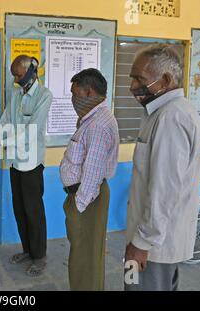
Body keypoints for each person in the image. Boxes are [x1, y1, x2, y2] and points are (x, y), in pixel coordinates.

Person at [124, 44, 200, 291]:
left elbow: (164, 190)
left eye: (139, 79)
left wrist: (140, 244)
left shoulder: (172, 117)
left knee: (136, 286)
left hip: (150, 250)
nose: (132, 87)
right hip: (149, 243)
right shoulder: (160, 112)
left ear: (166, 80)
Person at [0, 55, 52, 276]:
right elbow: (5, 121)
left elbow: (31, 131)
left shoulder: (44, 96)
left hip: (32, 164)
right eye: (14, 75)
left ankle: (40, 256)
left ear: (30, 71)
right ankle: (28, 250)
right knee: (19, 209)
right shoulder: (16, 93)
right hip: (15, 162)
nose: (15, 79)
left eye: (18, 74)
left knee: (34, 211)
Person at [59, 68, 119, 291]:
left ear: (89, 92)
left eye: (75, 93)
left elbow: (93, 173)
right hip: (84, 197)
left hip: (87, 200)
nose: (72, 99)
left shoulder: (98, 125)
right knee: (84, 256)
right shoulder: (91, 119)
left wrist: (78, 205)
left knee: (85, 260)